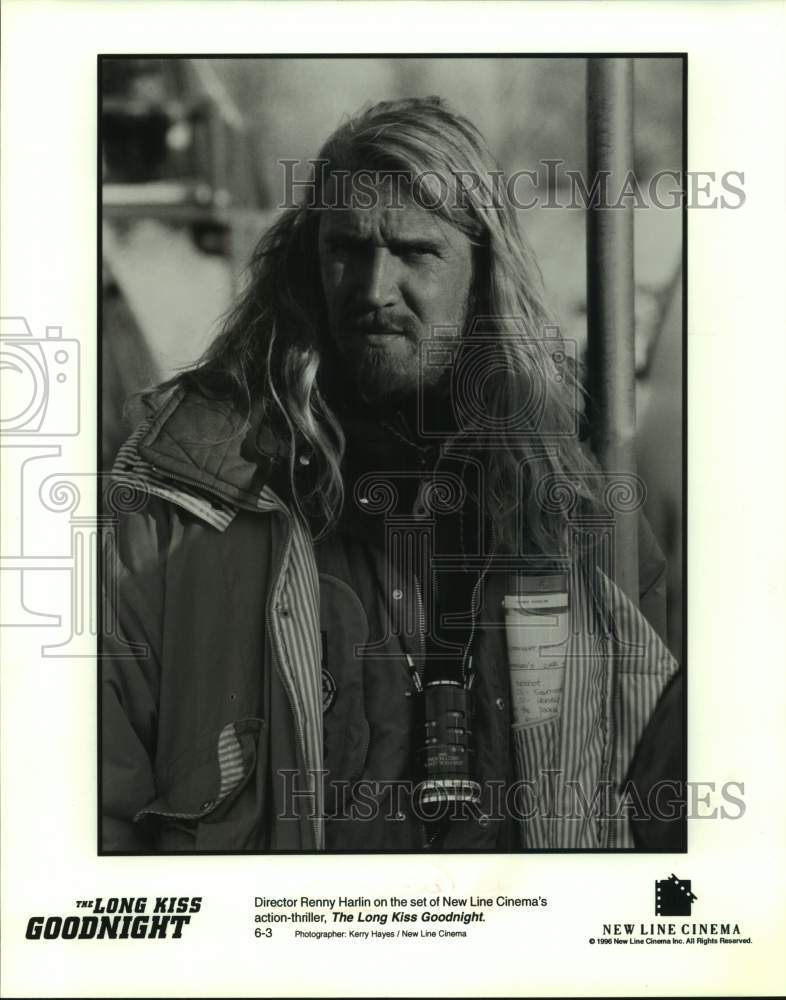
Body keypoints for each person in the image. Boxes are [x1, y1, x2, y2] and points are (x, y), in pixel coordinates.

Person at [101, 96, 680, 853]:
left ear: (482, 272)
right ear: (309, 260)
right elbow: (94, 798)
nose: (373, 288)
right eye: (347, 247)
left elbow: (662, 776)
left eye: (414, 251)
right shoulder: (191, 489)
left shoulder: (568, 488)